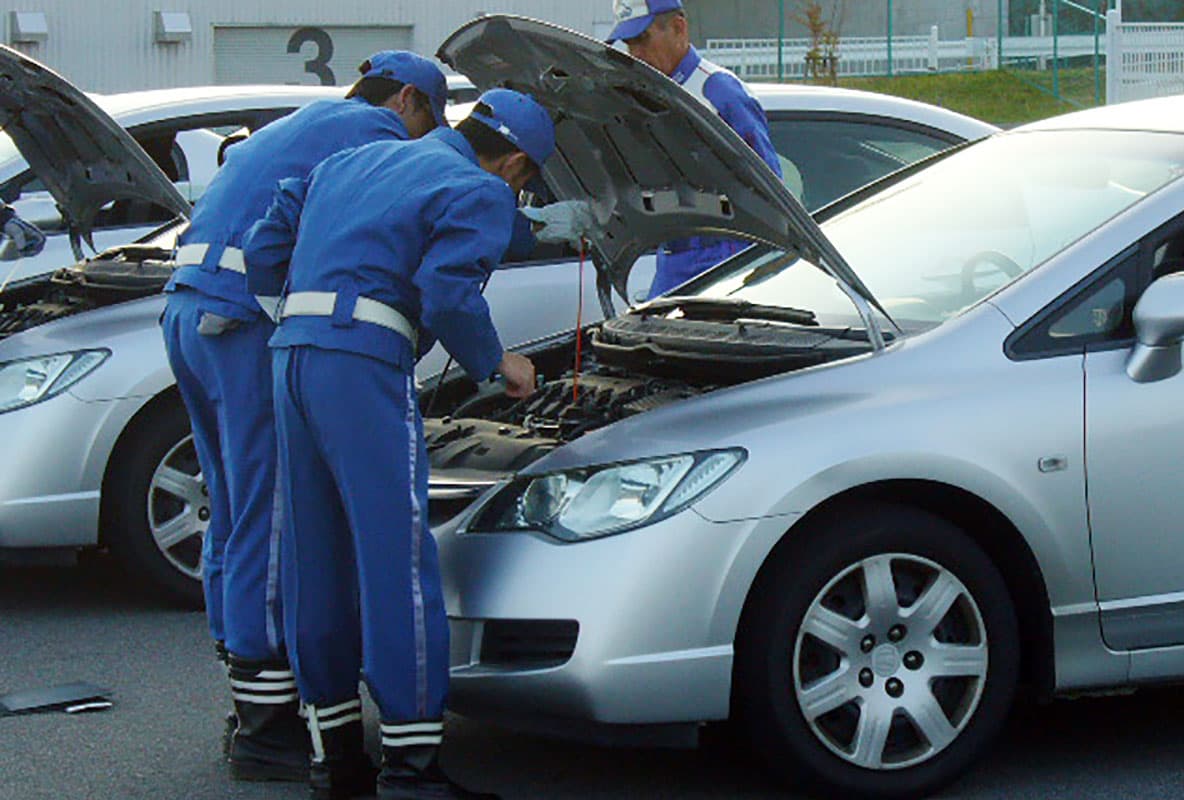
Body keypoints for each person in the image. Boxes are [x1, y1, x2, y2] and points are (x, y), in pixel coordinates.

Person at [241, 87, 555, 800]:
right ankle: (412, 771)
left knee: (314, 558)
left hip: (292, 354)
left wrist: (301, 322)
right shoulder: (478, 190)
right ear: (515, 166)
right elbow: (447, 295)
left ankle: (336, 760)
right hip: (360, 366)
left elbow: (264, 250)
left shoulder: (351, 160)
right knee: (396, 562)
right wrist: (497, 362)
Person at [158, 50, 448, 785]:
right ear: (409, 100)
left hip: (186, 308)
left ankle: (247, 698)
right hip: (240, 317)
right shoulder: (371, 137)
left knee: (229, 507)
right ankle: (268, 730)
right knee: (273, 514)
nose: (420, 143)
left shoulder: (300, 121)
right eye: (427, 125)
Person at [607, 0, 783, 296]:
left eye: (642, 39)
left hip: (727, 256)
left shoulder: (719, 92)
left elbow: (770, 192)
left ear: (678, 27)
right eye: (628, 43)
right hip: (672, 256)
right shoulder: (642, 95)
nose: (635, 53)